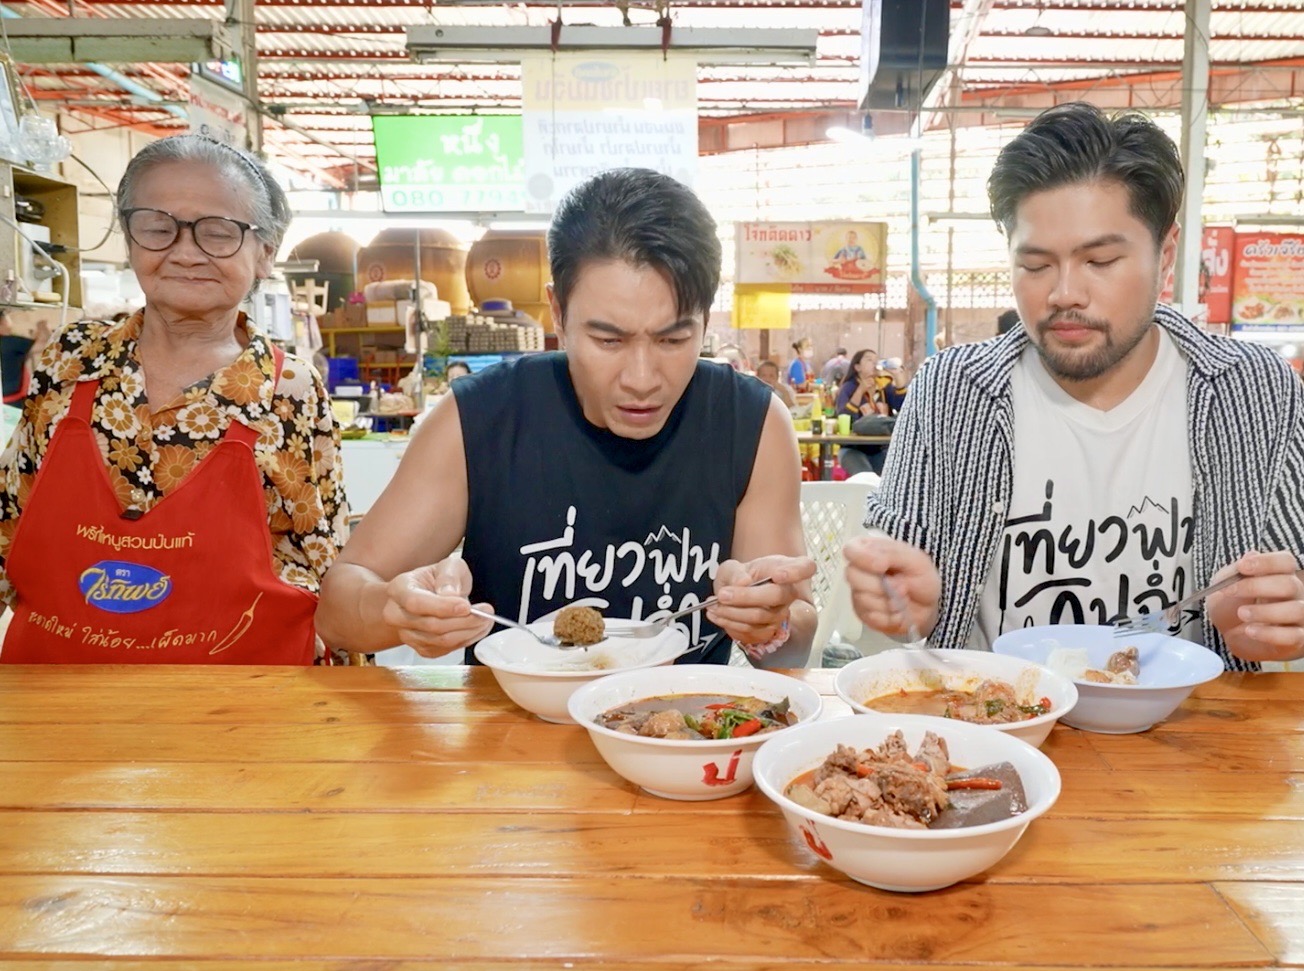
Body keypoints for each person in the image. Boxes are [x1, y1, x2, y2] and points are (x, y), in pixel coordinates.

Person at [845, 101, 1304, 671]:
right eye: (1036, 265)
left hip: (1193, 721)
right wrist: (899, 605)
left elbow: (1292, 578)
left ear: (1165, 256)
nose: (1064, 293)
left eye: (1100, 260)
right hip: (992, 715)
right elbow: (893, 584)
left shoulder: (1254, 390)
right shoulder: (952, 390)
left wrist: (1276, 624)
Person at [316, 167, 816, 668]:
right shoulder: (480, 419)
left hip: (683, 716)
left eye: (673, 339)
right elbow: (337, 609)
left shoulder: (752, 425)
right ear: (557, 311)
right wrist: (397, 611)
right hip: (510, 719)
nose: (642, 379)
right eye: (608, 340)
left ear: (705, 317)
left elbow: (793, 646)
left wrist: (771, 622)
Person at [0, 134, 348, 665]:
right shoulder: (70, 360)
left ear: (265, 253)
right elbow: (10, 517)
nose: (185, 253)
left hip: (236, 697)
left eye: (218, 232)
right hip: (64, 693)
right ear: (130, 239)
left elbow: (324, 561)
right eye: (158, 228)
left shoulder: (291, 391)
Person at [833, 349, 890, 476]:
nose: (874, 363)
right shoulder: (848, 387)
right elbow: (844, 418)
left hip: (879, 449)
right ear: (857, 367)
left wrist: (898, 376)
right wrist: (860, 390)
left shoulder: (883, 387)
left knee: (891, 475)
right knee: (866, 476)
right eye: (869, 360)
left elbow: (901, 404)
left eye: (876, 360)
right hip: (853, 449)